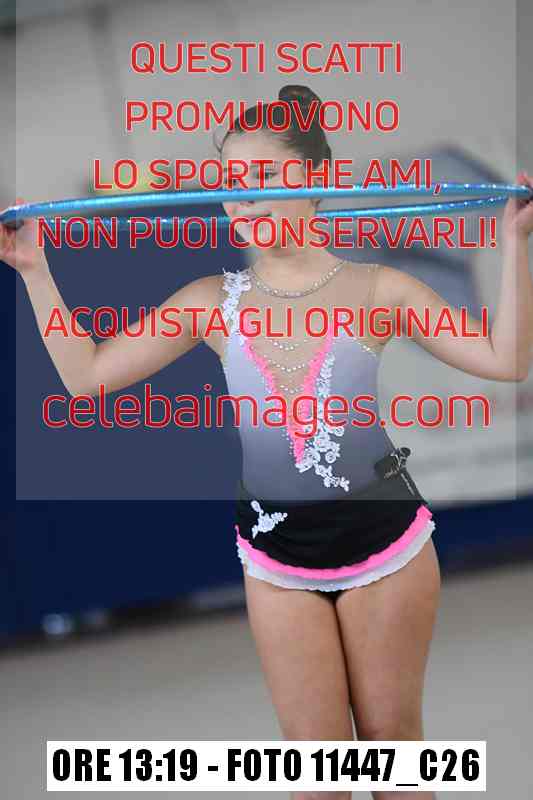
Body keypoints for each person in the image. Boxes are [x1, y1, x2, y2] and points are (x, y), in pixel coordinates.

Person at [2, 85, 532, 800]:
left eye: (262, 178)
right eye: (231, 182)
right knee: (315, 780)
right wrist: (35, 272)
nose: (243, 198)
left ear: (316, 181)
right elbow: (85, 377)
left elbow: (505, 360)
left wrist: (514, 244)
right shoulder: (209, 303)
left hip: (385, 549)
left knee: (392, 761)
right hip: (276, 559)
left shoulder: (380, 289)